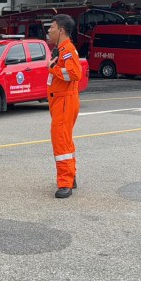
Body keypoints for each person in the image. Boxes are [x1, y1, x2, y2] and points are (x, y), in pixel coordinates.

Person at [47, 14, 83, 198]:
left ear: (60, 30)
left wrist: (53, 68)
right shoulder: (61, 49)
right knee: (65, 140)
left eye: (51, 27)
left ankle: (65, 183)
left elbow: (74, 73)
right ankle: (70, 176)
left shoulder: (67, 49)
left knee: (61, 142)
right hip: (61, 101)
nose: (48, 30)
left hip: (64, 101)